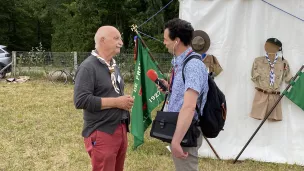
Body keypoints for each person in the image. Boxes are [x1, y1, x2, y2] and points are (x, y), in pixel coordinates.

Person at [73, 26, 134, 171]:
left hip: (119, 129)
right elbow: (81, 100)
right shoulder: (88, 67)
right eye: (116, 38)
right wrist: (117, 102)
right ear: (102, 40)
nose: (121, 42)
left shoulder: (113, 65)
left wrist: (123, 100)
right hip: (101, 131)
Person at [160, 18, 209, 171]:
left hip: (187, 130)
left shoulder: (192, 65)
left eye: (166, 39)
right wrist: (170, 89)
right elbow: (186, 95)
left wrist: (176, 141)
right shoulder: (181, 62)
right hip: (181, 127)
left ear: (177, 41)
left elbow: (189, 106)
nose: (164, 43)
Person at [250, 38, 292, 121]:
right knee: (257, 119)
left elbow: (289, 79)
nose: (266, 46)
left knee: (273, 123)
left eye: (272, 46)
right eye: (266, 44)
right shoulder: (258, 61)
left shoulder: (283, 62)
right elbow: (253, 77)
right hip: (261, 95)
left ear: (278, 49)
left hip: (275, 97)